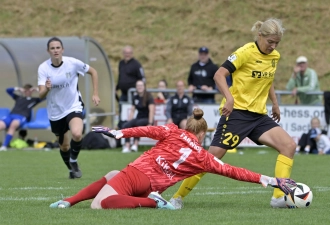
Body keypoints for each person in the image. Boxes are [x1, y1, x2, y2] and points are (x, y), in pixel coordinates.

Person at [49, 109, 296, 210]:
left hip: (138, 173)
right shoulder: (203, 157)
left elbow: (145, 129)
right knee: (113, 173)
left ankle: (154, 204)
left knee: (98, 205)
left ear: (187, 127)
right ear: (202, 134)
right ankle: (68, 202)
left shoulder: (171, 130)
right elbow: (235, 171)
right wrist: (271, 180)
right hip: (150, 185)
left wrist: (119, 133)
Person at [170, 18, 296, 209]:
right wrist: (229, 98)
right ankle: (177, 197)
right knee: (210, 159)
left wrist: (275, 103)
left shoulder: (274, 57)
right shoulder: (245, 52)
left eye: (277, 43)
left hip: (259, 116)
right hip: (237, 114)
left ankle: (278, 197)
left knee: (289, 146)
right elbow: (219, 74)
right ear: (260, 36)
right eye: (270, 41)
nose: (273, 46)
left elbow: (268, 80)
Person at [38, 37, 100, 179]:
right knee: (64, 146)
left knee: (77, 134)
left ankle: (73, 160)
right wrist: (47, 89)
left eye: (58, 47)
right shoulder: (43, 68)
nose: (55, 50)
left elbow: (93, 72)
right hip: (55, 111)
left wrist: (95, 93)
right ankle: (71, 167)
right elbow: (41, 94)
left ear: (62, 49)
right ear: (48, 51)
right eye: (52, 48)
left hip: (73, 106)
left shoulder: (72, 63)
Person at [0, 84, 43, 151]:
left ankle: (4, 146)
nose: (27, 92)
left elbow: (46, 96)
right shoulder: (18, 98)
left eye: (29, 90)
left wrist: (37, 89)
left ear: (31, 91)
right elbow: (8, 90)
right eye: (25, 90)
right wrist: (18, 89)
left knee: (13, 125)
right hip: (11, 116)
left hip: (22, 117)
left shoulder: (34, 100)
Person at [121, 80, 155, 153]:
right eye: (138, 86)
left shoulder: (148, 96)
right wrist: (129, 120)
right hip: (139, 117)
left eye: (141, 85)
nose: (139, 87)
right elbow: (132, 110)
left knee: (137, 125)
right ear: (136, 87)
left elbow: (151, 110)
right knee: (126, 125)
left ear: (144, 87)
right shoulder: (135, 97)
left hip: (147, 118)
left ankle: (135, 145)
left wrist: (150, 122)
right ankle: (127, 146)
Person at [115, 46, 145, 126]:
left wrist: (139, 90)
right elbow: (120, 76)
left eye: (128, 53)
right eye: (125, 53)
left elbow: (142, 78)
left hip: (133, 94)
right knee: (122, 111)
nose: (127, 55)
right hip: (123, 94)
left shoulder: (136, 64)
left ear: (132, 54)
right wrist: (117, 87)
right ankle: (122, 128)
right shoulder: (121, 63)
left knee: (131, 112)